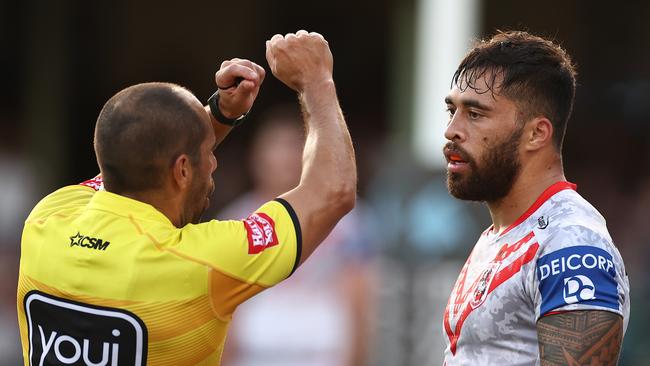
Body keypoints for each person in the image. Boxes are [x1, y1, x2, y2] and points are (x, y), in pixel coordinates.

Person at [16, 30, 356, 366]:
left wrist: (221, 114)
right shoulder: (201, 263)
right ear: (182, 170)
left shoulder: (47, 218)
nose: (214, 163)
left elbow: (139, 157)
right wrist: (316, 82)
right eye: (208, 153)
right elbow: (332, 192)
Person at [441, 31, 630, 365]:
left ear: (536, 134)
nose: (451, 130)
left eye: (475, 114)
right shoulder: (501, 234)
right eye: (452, 110)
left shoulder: (571, 242)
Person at [217, 106, 376, 366]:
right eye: (274, 147)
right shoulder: (235, 220)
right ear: (255, 156)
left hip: (324, 355)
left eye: (292, 147)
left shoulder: (346, 219)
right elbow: (223, 305)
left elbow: (359, 300)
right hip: (254, 355)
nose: (283, 158)